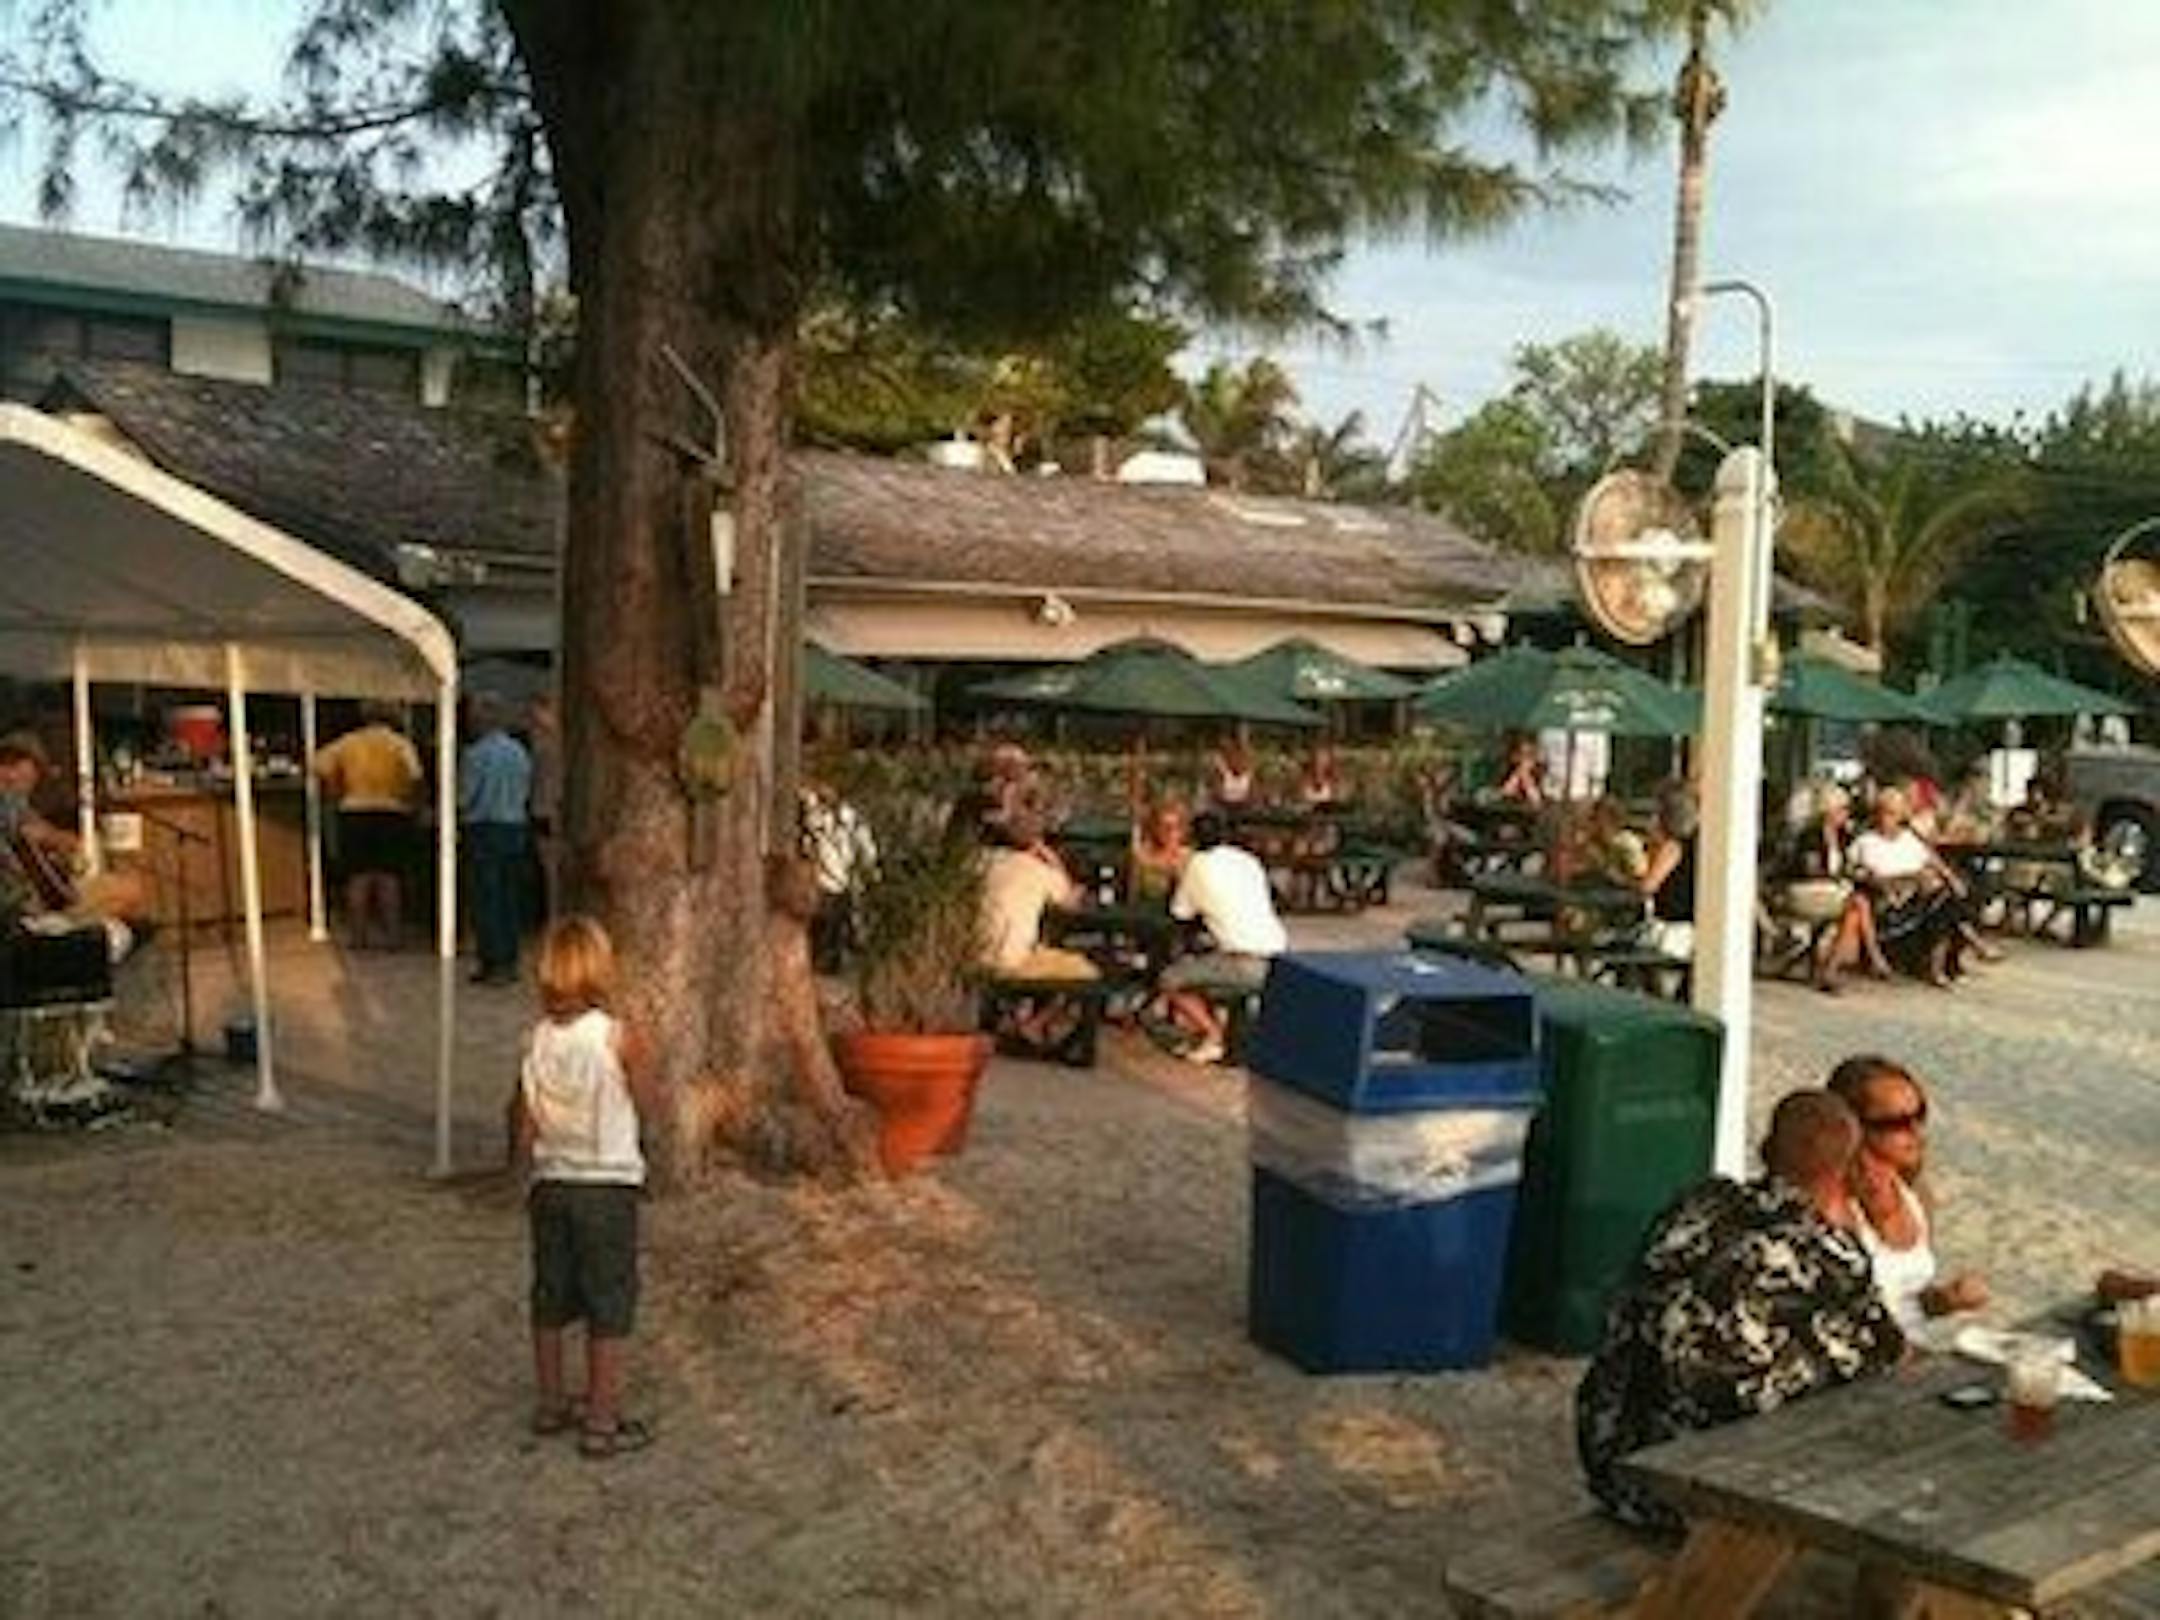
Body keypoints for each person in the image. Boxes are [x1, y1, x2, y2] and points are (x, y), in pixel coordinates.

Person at [1576, 1090, 1905, 1534]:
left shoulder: (1697, 1204)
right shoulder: (1825, 1253)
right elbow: (1887, 1354)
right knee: (1875, 1419)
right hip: (1703, 1503)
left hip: (1614, 1465)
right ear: (1845, 1173)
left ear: (1765, 1149)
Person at [509, 916, 662, 1458]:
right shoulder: (617, 1037)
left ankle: (550, 1401)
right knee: (609, 1298)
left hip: (551, 1181)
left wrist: (519, 1171)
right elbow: (647, 1099)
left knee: (550, 1293)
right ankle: (602, 1417)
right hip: (606, 1183)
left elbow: (525, 1118)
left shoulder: (536, 1040)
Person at [1824, 1055, 1988, 1339]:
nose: (1916, 1132)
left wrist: (1947, 1297)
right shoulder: (1834, 1211)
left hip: (1910, 1357)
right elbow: (1840, 1325)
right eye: (1896, 1123)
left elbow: (1905, 1295)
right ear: (1854, 1127)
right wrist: (1936, 1305)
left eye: (1919, 1115)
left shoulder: (1913, 1194)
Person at [1160, 812, 1287, 1065]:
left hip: (1243, 962)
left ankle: (1213, 1035)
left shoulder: (1197, 865)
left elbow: (1180, 914)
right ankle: (1214, 1032)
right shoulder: (1248, 859)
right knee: (1206, 966)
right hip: (1278, 956)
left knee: (1171, 979)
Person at [311, 701, 423, 950]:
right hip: (392, 811)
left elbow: (319, 765)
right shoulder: (400, 744)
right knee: (389, 876)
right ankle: (393, 937)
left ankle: (358, 936)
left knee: (357, 876)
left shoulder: (348, 742)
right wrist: (411, 801)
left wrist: (336, 789)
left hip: (354, 810)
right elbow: (416, 775)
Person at [1850, 786, 1972, 987]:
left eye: (1892, 813)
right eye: (1882, 812)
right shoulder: (1865, 842)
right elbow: (1855, 873)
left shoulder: (1910, 839)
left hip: (1917, 897)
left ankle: (1938, 966)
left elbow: (1932, 861)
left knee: (1950, 894)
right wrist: (1896, 880)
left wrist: (1949, 878)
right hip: (1888, 902)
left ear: (1901, 816)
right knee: (1945, 901)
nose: (1885, 819)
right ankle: (1947, 961)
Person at [1782, 782, 1890, 993]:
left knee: (1855, 911)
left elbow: (1849, 865)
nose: (1846, 814)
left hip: (1832, 891)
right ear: (1829, 811)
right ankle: (1874, 957)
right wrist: (1842, 876)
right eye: (1843, 809)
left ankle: (1831, 972)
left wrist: (1860, 871)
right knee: (1858, 903)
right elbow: (1812, 870)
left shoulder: (1843, 836)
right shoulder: (1811, 835)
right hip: (1805, 890)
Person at [460, 694, 534, 986]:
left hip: (484, 828)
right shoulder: (520, 752)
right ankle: (509, 960)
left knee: (486, 898)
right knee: (509, 898)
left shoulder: (476, 754)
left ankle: (491, 959)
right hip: (514, 827)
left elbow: (467, 796)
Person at [978, 813, 1096, 982]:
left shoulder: (976, 862)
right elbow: (1071, 902)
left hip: (968, 957)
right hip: (1010, 963)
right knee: (1084, 970)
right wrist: (1049, 856)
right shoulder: (1039, 871)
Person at [1635, 782, 1698, 961]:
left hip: (1671, 932)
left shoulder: (1672, 848)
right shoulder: (1696, 845)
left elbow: (1647, 886)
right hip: (1688, 928)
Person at [1130, 799, 1192, 906]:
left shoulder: (1190, 858)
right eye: (1165, 827)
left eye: (1175, 827)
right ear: (1154, 828)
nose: (1170, 833)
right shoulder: (1140, 857)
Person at [1495, 734, 1547, 808]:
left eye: (1529, 756)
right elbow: (1503, 794)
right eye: (1521, 755)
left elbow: (1537, 801)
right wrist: (1515, 777)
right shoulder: (1506, 773)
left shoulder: (1541, 775)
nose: (1524, 760)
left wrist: (1526, 778)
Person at [1208, 738, 1257, 812]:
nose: (1237, 761)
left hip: (1243, 806)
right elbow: (1217, 793)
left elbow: (1253, 794)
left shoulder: (1248, 773)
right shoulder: (1222, 772)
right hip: (1223, 806)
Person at [1298, 743, 1342, 808]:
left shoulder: (1335, 781)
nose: (1321, 762)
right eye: (1319, 759)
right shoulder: (1305, 779)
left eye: (1324, 759)